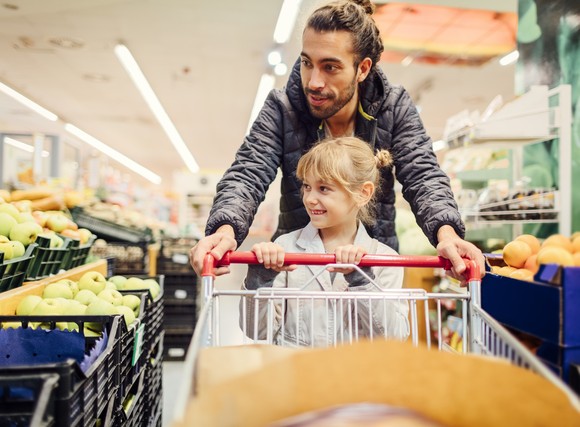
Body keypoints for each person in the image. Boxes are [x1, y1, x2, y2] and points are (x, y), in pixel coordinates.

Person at [190, 0, 484, 280]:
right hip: (298, 270)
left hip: (372, 271)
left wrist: (447, 234)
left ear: (363, 69)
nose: (314, 82)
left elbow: (423, 174)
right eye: (307, 63)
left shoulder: (394, 107)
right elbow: (248, 172)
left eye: (330, 67)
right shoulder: (283, 108)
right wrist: (224, 230)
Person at [240, 136, 409, 346]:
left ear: (363, 193)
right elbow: (257, 331)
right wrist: (259, 282)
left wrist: (363, 282)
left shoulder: (384, 259)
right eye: (307, 186)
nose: (309, 199)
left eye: (324, 188)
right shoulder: (286, 248)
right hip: (296, 375)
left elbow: (393, 337)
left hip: (356, 377)